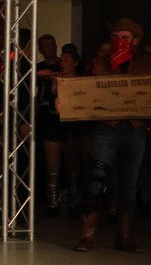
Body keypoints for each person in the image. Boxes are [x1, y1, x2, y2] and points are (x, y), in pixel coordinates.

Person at [74, 18, 149, 253]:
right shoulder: (98, 63)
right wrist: (65, 100)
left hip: (135, 128)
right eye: (116, 37)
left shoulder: (146, 63)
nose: (120, 41)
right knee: (95, 180)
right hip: (106, 128)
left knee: (128, 185)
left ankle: (124, 238)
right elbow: (81, 92)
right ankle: (87, 237)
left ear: (135, 41)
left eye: (125, 37)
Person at [37, 49, 82, 213]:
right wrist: (55, 81)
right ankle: (53, 203)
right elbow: (40, 74)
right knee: (52, 166)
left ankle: (75, 202)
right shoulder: (54, 78)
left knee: (72, 165)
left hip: (71, 124)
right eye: (61, 60)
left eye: (67, 60)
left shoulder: (80, 81)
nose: (62, 63)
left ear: (75, 63)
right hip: (53, 123)